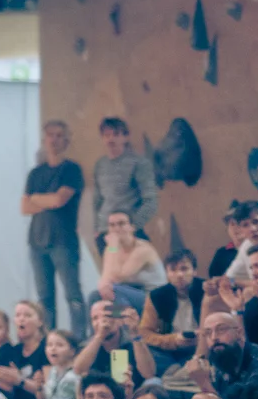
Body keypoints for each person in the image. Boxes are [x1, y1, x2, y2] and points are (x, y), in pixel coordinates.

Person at [26, 121, 89, 336]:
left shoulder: (71, 169)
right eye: (50, 135)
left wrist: (37, 199)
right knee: (44, 297)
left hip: (63, 240)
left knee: (72, 294)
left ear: (66, 140)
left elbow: (60, 200)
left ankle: (78, 339)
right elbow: (24, 206)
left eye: (59, 135)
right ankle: (48, 341)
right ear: (44, 140)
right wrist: (46, 199)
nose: (54, 140)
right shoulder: (35, 173)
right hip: (37, 241)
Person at [181, 314, 258, 399]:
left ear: (239, 332)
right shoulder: (223, 357)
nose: (214, 337)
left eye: (221, 329)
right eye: (208, 333)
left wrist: (204, 383)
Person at [92, 121, 158, 255]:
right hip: (106, 233)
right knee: (112, 273)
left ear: (125, 137)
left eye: (116, 134)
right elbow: (97, 200)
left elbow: (151, 200)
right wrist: (96, 229)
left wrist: (133, 226)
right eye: (106, 135)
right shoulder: (100, 164)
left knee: (132, 273)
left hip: (129, 232)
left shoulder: (139, 163)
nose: (111, 139)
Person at [142, 250, 205, 376]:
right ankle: (177, 372)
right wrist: (173, 340)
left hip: (203, 347)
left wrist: (203, 336)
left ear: (194, 271)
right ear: (167, 274)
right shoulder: (157, 296)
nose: (179, 275)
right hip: (171, 350)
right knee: (143, 350)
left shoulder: (206, 290)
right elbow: (145, 332)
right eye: (173, 270)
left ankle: (178, 374)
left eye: (184, 269)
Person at [96, 211, 167, 313]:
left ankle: (124, 325)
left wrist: (113, 247)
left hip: (155, 300)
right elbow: (105, 279)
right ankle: (111, 320)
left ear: (132, 227)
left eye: (121, 224)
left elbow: (117, 278)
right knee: (95, 298)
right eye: (112, 225)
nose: (116, 229)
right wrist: (103, 287)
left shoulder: (143, 249)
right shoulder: (111, 249)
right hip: (131, 297)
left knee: (116, 291)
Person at [79, 301, 155, 383]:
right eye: (95, 318)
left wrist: (135, 333)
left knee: (153, 382)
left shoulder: (133, 341)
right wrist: (100, 336)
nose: (101, 322)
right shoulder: (88, 346)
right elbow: (78, 371)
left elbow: (149, 374)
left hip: (132, 390)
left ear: (119, 320)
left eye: (107, 316)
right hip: (99, 392)